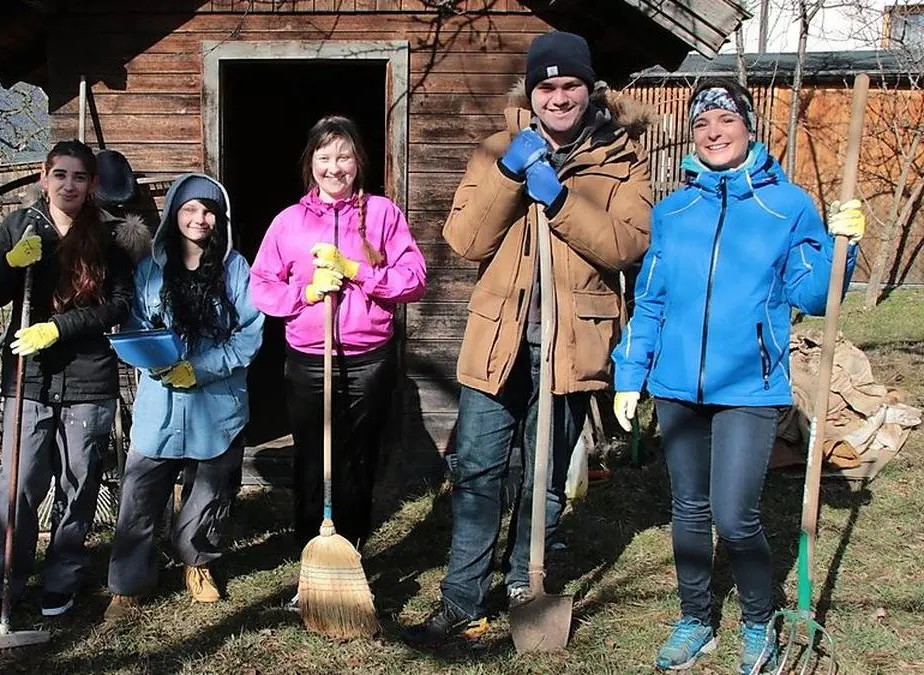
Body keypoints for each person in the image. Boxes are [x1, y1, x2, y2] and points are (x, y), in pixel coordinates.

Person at [407, 31, 653, 646]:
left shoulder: (621, 159)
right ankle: (462, 597)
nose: (559, 97)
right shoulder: (496, 149)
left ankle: (526, 583)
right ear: (532, 92)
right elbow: (465, 241)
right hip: (500, 340)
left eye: (571, 85)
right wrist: (509, 177)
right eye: (547, 86)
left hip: (571, 343)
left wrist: (564, 200)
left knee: (543, 476)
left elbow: (628, 246)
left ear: (589, 89)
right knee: (479, 471)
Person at [611, 77, 864, 673]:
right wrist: (631, 371)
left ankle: (758, 621)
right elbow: (651, 299)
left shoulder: (788, 206)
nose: (713, 132)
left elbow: (814, 294)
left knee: (735, 516)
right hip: (676, 388)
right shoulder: (674, 211)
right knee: (689, 511)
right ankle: (695, 618)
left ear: (748, 128)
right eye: (702, 123)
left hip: (750, 386)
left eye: (725, 120)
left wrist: (842, 246)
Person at [249, 115, 427, 605]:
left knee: (358, 453)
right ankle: (312, 548)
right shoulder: (288, 222)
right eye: (324, 157)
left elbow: (413, 277)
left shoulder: (383, 214)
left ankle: (352, 545)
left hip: (368, 356)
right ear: (311, 165)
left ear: (358, 162)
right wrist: (304, 293)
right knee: (313, 453)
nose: (335, 167)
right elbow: (261, 286)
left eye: (344, 156)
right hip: (309, 357)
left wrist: (358, 272)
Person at [0, 139, 148, 623]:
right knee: (19, 486)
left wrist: (59, 327)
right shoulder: (19, 227)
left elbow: (117, 305)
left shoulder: (110, 237)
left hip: (89, 380)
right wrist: (10, 263)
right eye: (60, 175)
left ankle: (62, 578)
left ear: (92, 184)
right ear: (43, 177)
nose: (68, 185)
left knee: (78, 487)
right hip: (29, 379)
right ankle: (6, 583)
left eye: (79, 177)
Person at [104, 173, 264, 618]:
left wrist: (201, 369)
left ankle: (197, 562)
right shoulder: (149, 271)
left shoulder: (236, 270)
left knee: (210, 491)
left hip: (218, 404)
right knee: (139, 492)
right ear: (174, 214)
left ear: (220, 218)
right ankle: (128, 584)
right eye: (190, 209)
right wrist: (154, 360)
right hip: (161, 402)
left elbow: (249, 336)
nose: (200, 218)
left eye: (209, 210)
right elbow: (134, 327)